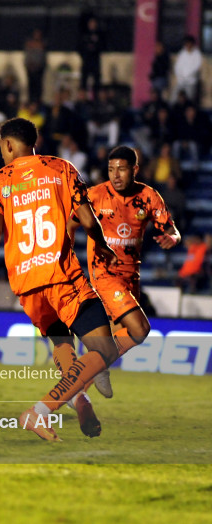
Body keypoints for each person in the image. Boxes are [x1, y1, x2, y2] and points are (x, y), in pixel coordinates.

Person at [0, 118, 119, 441]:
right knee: (105, 349)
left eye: (0, 148)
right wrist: (103, 245)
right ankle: (39, 412)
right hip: (61, 276)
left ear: (8, 145)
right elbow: (87, 220)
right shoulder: (61, 169)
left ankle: (80, 396)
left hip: (27, 285)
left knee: (63, 343)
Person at [60, 146, 181, 399]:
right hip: (103, 274)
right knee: (139, 329)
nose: (116, 175)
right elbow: (70, 224)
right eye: (111, 169)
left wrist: (173, 238)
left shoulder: (148, 196)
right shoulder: (94, 195)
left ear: (134, 170)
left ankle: (77, 388)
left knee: (112, 343)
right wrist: (67, 259)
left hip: (130, 278)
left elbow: (171, 229)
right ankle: (93, 370)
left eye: (122, 169)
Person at [171, 35, 203, 104]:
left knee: (189, 99)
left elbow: (196, 67)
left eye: (189, 43)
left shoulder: (197, 54)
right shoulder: (182, 53)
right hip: (181, 81)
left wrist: (187, 75)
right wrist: (180, 76)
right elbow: (177, 67)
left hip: (191, 81)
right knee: (174, 98)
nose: (187, 45)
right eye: (186, 43)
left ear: (192, 44)